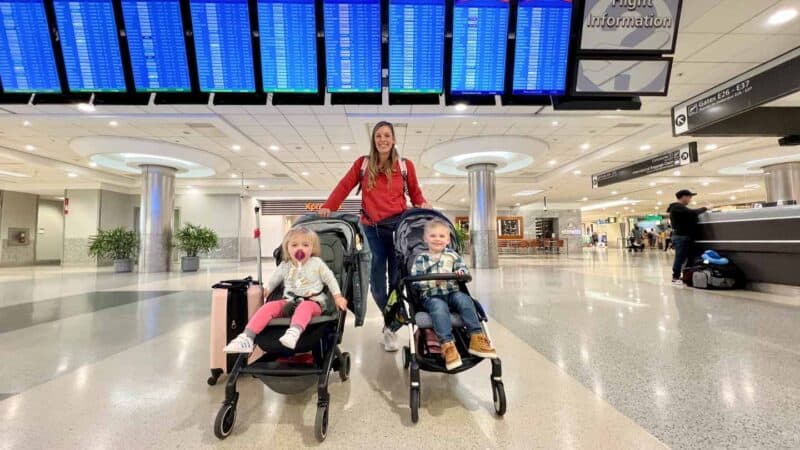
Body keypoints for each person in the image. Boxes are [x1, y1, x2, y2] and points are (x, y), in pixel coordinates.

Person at [319, 121, 431, 352]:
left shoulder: (405, 166)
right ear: (373, 139)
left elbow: (416, 193)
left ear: (394, 139)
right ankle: (391, 319)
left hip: (399, 230)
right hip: (371, 229)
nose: (383, 139)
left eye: (387, 135)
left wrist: (425, 207)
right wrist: (329, 206)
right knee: (378, 286)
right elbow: (344, 185)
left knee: (397, 282)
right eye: (378, 135)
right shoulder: (363, 164)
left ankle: (390, 328)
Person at [224, 227, 348, 353]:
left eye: (305, 245)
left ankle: (294, 332)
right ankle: (247, 338)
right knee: (269, 307)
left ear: (313, 248)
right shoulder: (285, 265)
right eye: (294, 245)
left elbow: (330, 279)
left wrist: (337, 297)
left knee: (304, 306)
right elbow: (274, 280)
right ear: (287, 249)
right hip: (289, 302)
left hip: (313, 303)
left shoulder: (316, 263)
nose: (300, 249)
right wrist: (267, 290)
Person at [411, 218, 497, 370]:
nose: (437, 239)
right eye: (433, 236)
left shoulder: (453, 255)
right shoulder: (420, 259)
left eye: (442, 236)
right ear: (425, 239)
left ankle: (476, 337)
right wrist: (431, 282)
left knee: (464, 300)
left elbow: (464, 271)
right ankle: (447, 344)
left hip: (452, 291)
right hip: (432, 295)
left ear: (448, 239)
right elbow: (415, 282)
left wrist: (460, 273)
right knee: (438, 307)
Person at [667, 189, 708, 285]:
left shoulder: (680, 208)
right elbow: (693, 212)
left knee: (689, 257)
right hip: (681, 237)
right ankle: (675, 277)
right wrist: (706, 208)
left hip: (684, 236)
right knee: (680, 258)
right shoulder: (677, 207)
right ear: (683, 197)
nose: (690, 199)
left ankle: (686, 275)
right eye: (689, 197)